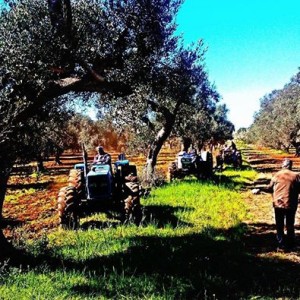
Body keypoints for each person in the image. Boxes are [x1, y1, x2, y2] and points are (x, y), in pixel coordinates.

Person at [255, 158, 300, 251]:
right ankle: (291, 243)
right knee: (290, 224)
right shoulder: (296, 176)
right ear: (291, 166)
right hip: (291, 204)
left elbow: (269, 188)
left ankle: (281, 244)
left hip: (278, 203)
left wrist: (260, 189)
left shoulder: (276, 175)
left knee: (279, 224)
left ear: (283, 165)